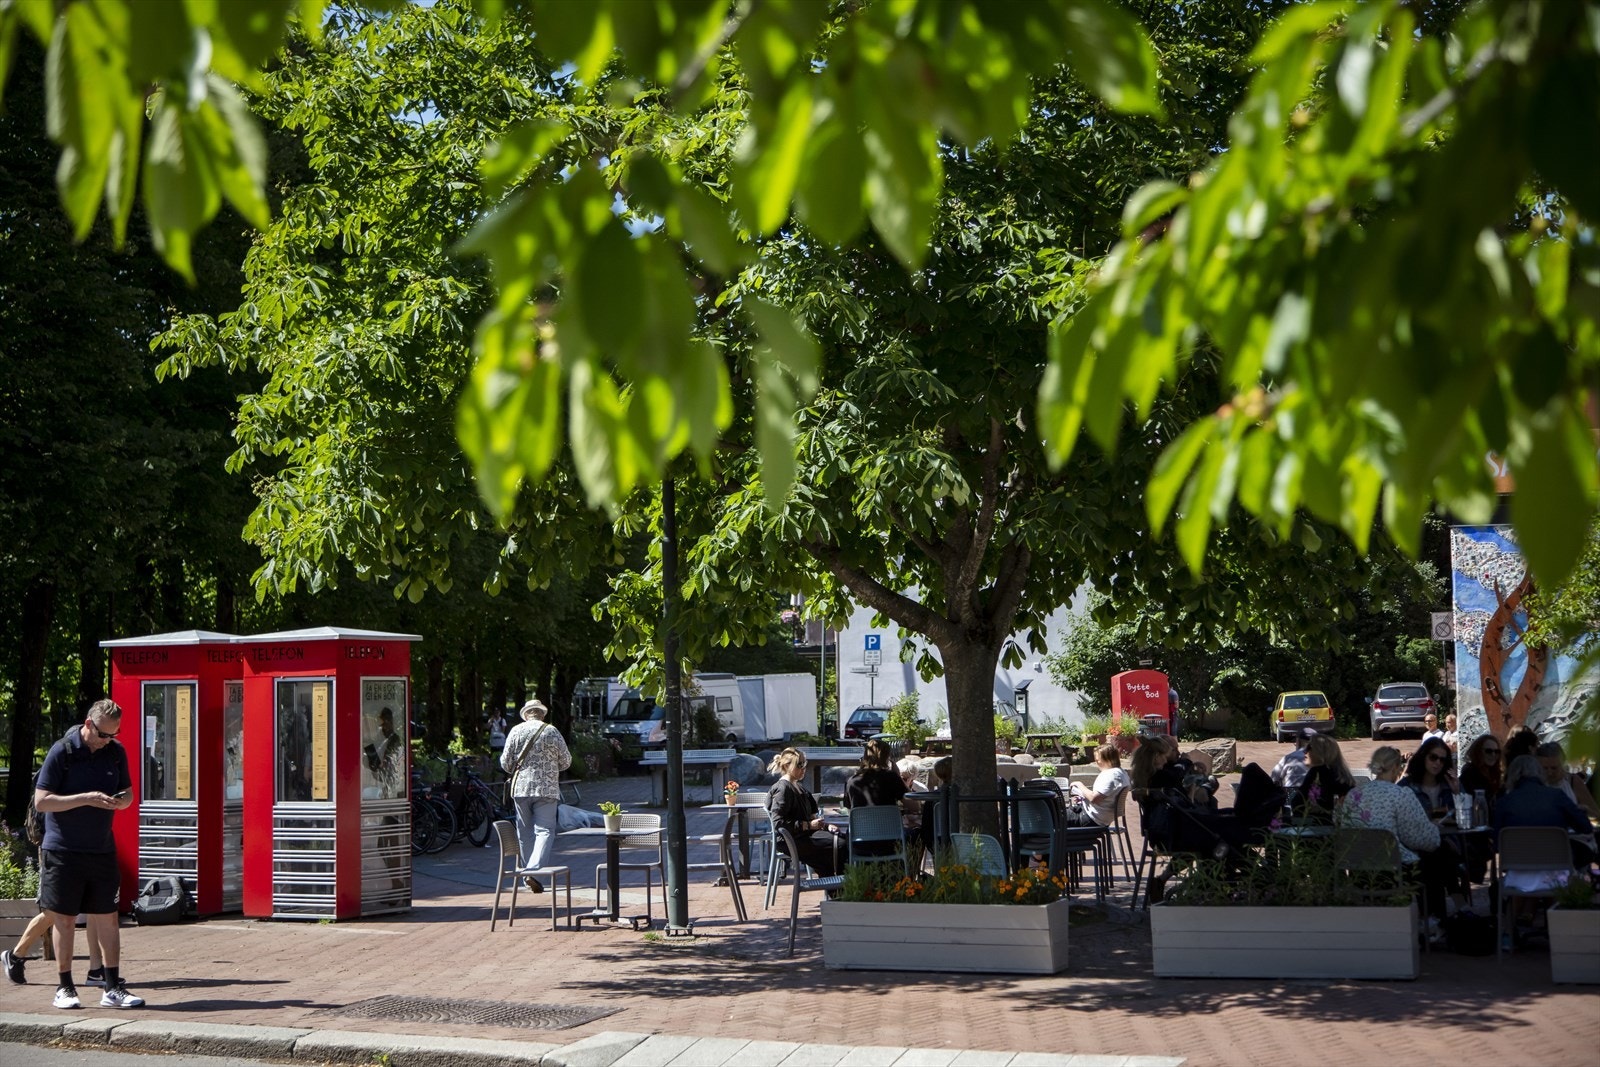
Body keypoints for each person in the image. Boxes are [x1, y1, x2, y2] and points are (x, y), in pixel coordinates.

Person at [31, 699, 143, 1009]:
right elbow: (42, 801)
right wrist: (85, 799)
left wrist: (120, 802)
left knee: (108, 917)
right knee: (65, 920)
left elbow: (130, 794)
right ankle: (65, 987)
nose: (109, 740)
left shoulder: (115, 753)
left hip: (101, 848)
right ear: (89, 724)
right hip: (63, 849)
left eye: (114, 734)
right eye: (104, 734)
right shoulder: (62, 751)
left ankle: (112, 986)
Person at [1337, 747, 1454, 927]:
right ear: (1395, 769)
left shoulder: (1354, 795)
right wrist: (1434, 829)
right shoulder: (1399, 794)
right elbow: (1421, 838)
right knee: (1435, 858)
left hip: (1358, 869)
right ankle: (1433, 921)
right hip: (1393, 871)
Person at [499, 699, 571, 892]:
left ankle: (528, 874)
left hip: (521, 789)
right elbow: (566, 761)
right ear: (542, 714)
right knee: (545, 831)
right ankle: (533, 871)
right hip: (547, 789)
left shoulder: (516, 731)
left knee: (524, 832)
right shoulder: (551, 731)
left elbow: (505, 764)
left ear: (526, 714)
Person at [1495, 754, 1595, 869]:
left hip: (1517, 873)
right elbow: (1586, 827)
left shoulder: (1504, 802)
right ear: (1539, 773)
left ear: (1512, 775)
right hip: (1556, 871)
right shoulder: (1557, 796)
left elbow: (1498, 844)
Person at [766, 748, 839, 878]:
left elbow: (812, 817)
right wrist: (808, 825)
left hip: (803, 836)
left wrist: (826, 826)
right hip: (791, 840)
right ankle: (840, 888)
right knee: (839, 845)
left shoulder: (798, 787)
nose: (803, 768)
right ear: (787, 766)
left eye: (804, 764)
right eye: (799, 764)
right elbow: (778, 823)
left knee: (840, 842)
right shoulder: (783, 789)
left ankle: (836, 889)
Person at [1068, 744, 1130, 827]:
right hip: (1099, 817)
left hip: (1091, 819)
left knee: (1052, 818)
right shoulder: (1122, 773)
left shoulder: (1111, 775)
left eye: (1098, 760)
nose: (1097, 763)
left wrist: (1080, 785)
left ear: (1108, 759)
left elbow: (1094, 798)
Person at [1297, 733, 1355, 823]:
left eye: (1309, 747)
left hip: (1318, 830)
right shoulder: (1344, 776)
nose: (1305, 751)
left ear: (1320, 751)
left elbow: (1298, 805)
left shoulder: (1316, 773)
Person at [1536, 740, 1600, 820]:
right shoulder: (1533, 783)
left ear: (1563, 764)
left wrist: (1584, 811)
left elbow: (1596, 813)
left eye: (1554, 768)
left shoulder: (1573, 781)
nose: (1549, 773)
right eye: (1545, 768)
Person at [1403, 737, 1459, 822]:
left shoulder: (1450, 784)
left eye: (1442, 760)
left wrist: (1457, 792)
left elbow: (1466, 817)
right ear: (1423, 756)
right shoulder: (1406, 787)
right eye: (1433, 757)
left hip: (1448, 834)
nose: (1438, 763)